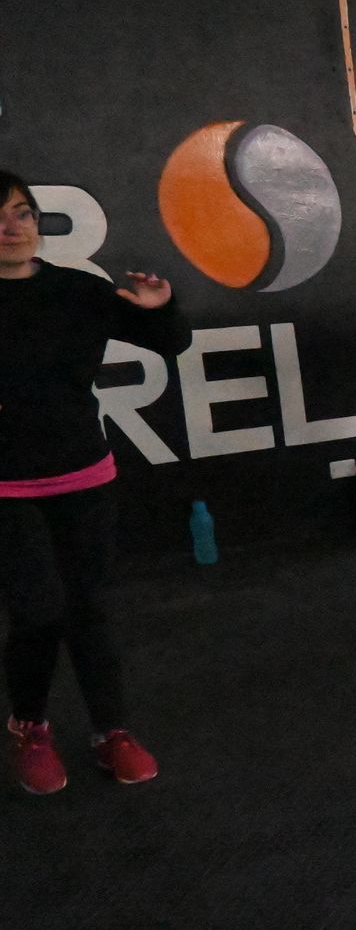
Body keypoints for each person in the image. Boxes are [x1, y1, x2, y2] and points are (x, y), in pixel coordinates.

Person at [0, 170, 187, 794]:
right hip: (6, 488)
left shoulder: (78, 289)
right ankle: (30, 726)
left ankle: (112, 731)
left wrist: (162, 308)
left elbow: (170, 341)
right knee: (36, 611)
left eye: (22, 213)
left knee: (91, 608)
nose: (11, 227)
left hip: (83, 473)